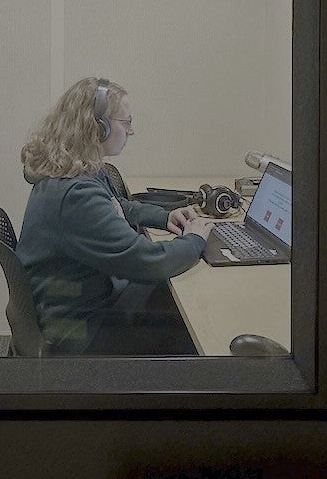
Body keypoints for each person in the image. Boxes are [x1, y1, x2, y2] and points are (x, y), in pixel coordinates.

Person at [16, 76, 216, 355]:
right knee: (190, 317)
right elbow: (148, 261)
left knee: (173, 294)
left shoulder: (76, 170)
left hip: (77, 304)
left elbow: (117, 206)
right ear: (99, 127)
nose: (131, 131)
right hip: (78, 330)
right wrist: (194, 240)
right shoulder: (75, 194)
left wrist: (162, 217)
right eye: (126, 122)